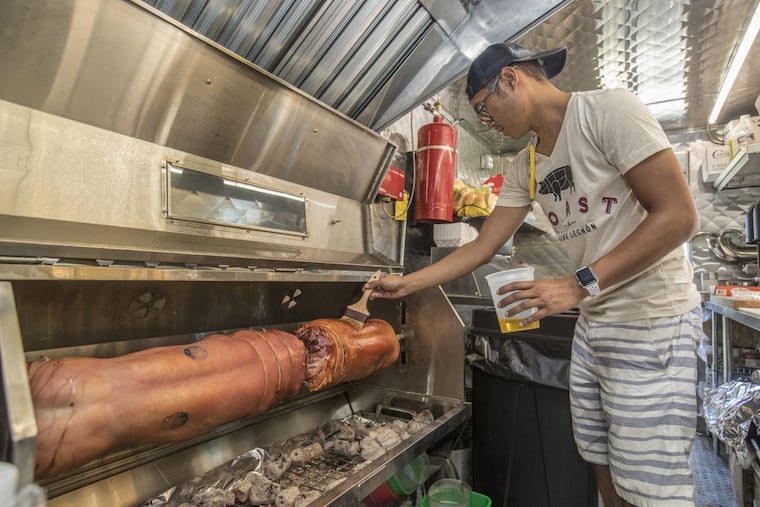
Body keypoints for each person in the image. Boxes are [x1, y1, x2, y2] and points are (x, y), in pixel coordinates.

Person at [367, 42, 702, 507]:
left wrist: (574, 285)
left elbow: (679, 217)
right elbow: (483, 247)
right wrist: (408, 283)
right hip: (597, 325)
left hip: (651, 320)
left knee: (652, 485)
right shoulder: (525, 163)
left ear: (510, 78)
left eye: (485, 110)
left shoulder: (607, 112)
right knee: (601, 460)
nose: (488, 123)